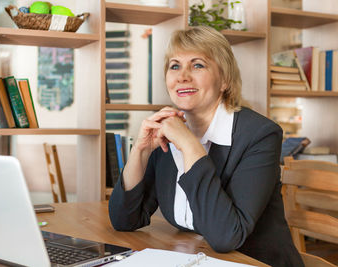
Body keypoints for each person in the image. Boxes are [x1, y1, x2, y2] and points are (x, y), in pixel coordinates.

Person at [108, 26, 304, 267]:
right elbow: (124, 220)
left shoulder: (259, 135)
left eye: (198, 65)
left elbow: (226, 237)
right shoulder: (167, 129)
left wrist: (190, 145)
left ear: (225, 80)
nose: (182, 76)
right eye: (175, 66)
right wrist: (140, 150)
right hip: (196, 257)